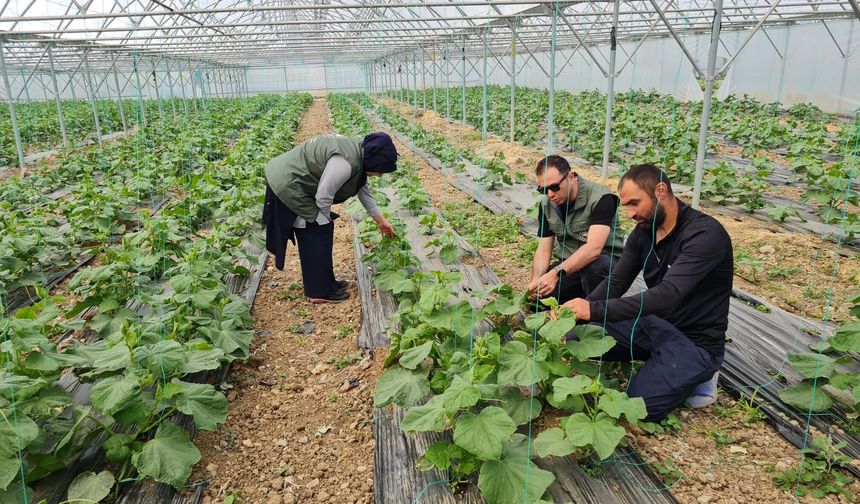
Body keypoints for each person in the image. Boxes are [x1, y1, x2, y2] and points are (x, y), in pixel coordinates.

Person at [562, 164, 733, 422]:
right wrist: (579, 310)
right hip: (654, 324)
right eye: (626, 206)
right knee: (576, 336)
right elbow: (617, 281)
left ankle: (701, 372)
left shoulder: (704, 235)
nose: (630, 214)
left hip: (694, 341)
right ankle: (660, 362)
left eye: (634, 203)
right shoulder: (644, 232)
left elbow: (668, 294)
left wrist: (595, 310)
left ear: (660, 191)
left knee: (637, 408)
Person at [262, 132, 397, 304]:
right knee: (316, 230)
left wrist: (381, 221)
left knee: (321, 228)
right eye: (380, 171)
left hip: (292, 179)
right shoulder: (345, 163)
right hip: (288, 184)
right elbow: (323, 196)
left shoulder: (360, 153)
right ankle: (319, 291)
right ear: (374, 162)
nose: (380, 175)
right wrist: (323, 219)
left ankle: (327, 283)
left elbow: (364, 191)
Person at [527, 155, 624, 305]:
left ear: (571, 177)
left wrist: (555, 274)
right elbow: (544, 250)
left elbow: (594, 249)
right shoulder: (546, 205)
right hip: (570, 266)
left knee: (595, 269)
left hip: (603, 265)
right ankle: (580, 299)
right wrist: (536, 282)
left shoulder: (601, 199)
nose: (550, 194)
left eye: (554, 187)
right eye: (544, 189)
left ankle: (598, 309)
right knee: (539, 301)